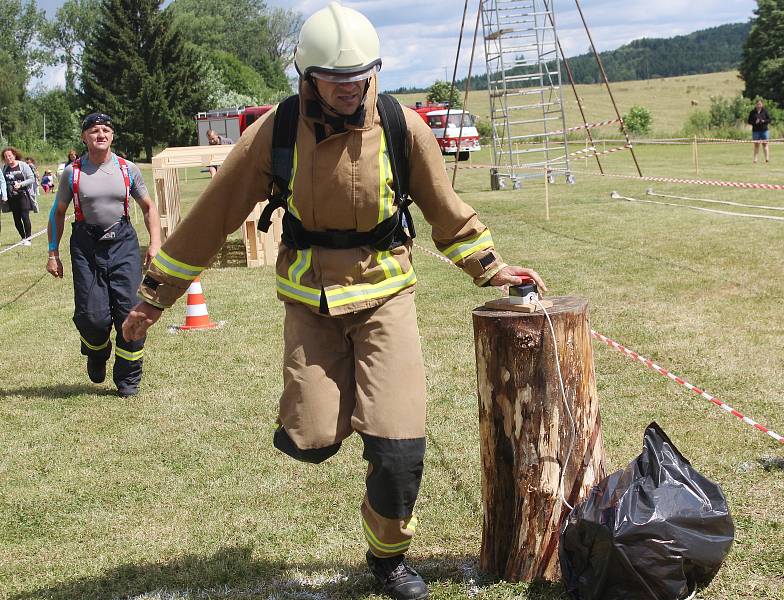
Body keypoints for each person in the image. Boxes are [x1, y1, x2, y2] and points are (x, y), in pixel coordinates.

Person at [122, 4, 546, 599]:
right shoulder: (277, 129)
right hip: (309, 303)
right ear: (307, 76)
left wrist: (492, 268)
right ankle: (328, 422)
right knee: (312, 437)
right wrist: (153, 300)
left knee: (398, 449)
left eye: (360, 77)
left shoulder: (401, 125)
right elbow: (212, 215)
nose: (350, 89)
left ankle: (387, 557)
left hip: (384, 296)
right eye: (336, 79)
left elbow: (446, 213)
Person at [46, 113, 161, 398]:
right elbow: (58, 212)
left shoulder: (127, 169)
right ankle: (97, 353)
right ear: (84, 137)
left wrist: (155, 244)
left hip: (122, 243)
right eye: (94, 130)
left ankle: (128, 379)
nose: (101, 134)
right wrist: (52, 253)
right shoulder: (72, 173)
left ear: (112, 136)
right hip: (86, 246)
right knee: (92, 316)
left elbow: (148, 207)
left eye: (106, 130)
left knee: (130, 312)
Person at [2, 147, 36, 246]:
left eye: (9, 155)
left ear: (14, 155)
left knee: (25, 216)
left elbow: (31, 178)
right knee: (16, 219)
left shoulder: (23, 165)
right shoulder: (4, 168)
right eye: (6, 157)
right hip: (12, 197)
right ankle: (23, 238)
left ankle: (29, 239)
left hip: (23, 195)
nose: (8, 158)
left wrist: (21, 185)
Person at [748, 99, 771, 164]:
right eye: (757, 104)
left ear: (762, 104)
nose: (759, 105)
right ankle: (755, 160)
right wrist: (755, 122)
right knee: (756, 145)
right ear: (756, 105)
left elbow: (769, 120)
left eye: (760, 104)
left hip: (764, 130)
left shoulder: (765, 111)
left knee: (765, 144)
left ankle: (767, 159)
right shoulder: (752, 112)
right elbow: (749, 121)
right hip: (756, 131)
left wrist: (764, 121)